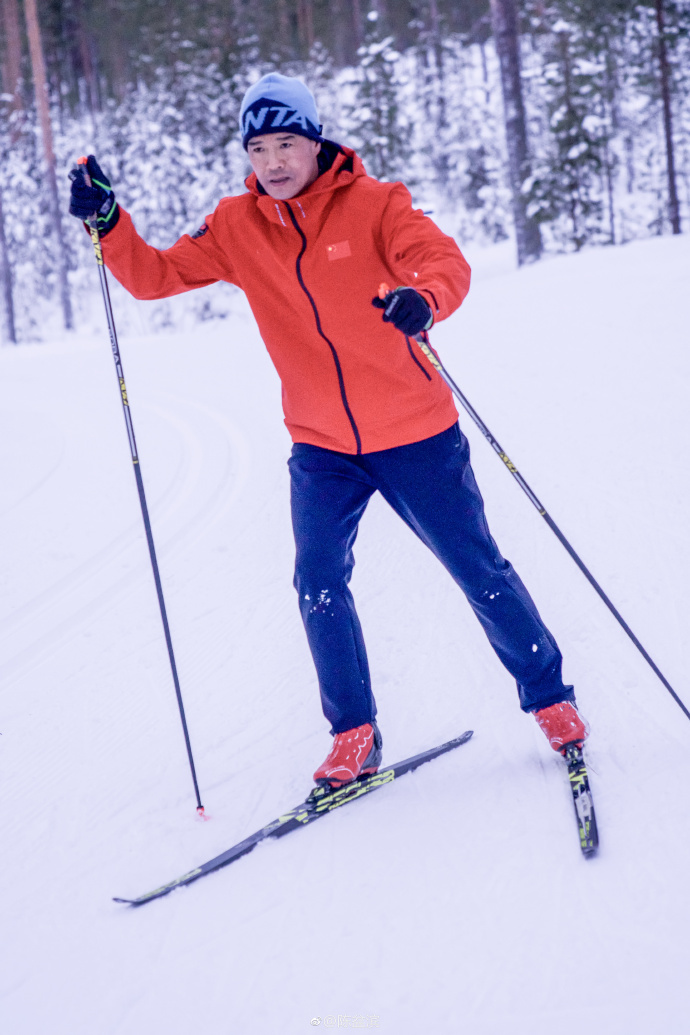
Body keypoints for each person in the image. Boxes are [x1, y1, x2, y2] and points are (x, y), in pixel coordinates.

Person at [69, 73, 588, 789]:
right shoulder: (235, 224)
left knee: (477, 570)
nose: (274, 162)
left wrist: (423, 299)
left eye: (287, 144)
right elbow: (155, 276)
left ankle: (551, 698)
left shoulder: (377, 204)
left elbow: (445, 263)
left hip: (415, 434)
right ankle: (354, 732)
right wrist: (110, 223)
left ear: (316, 143)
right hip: (321, 446)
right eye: (259, 149)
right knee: (317, 580)